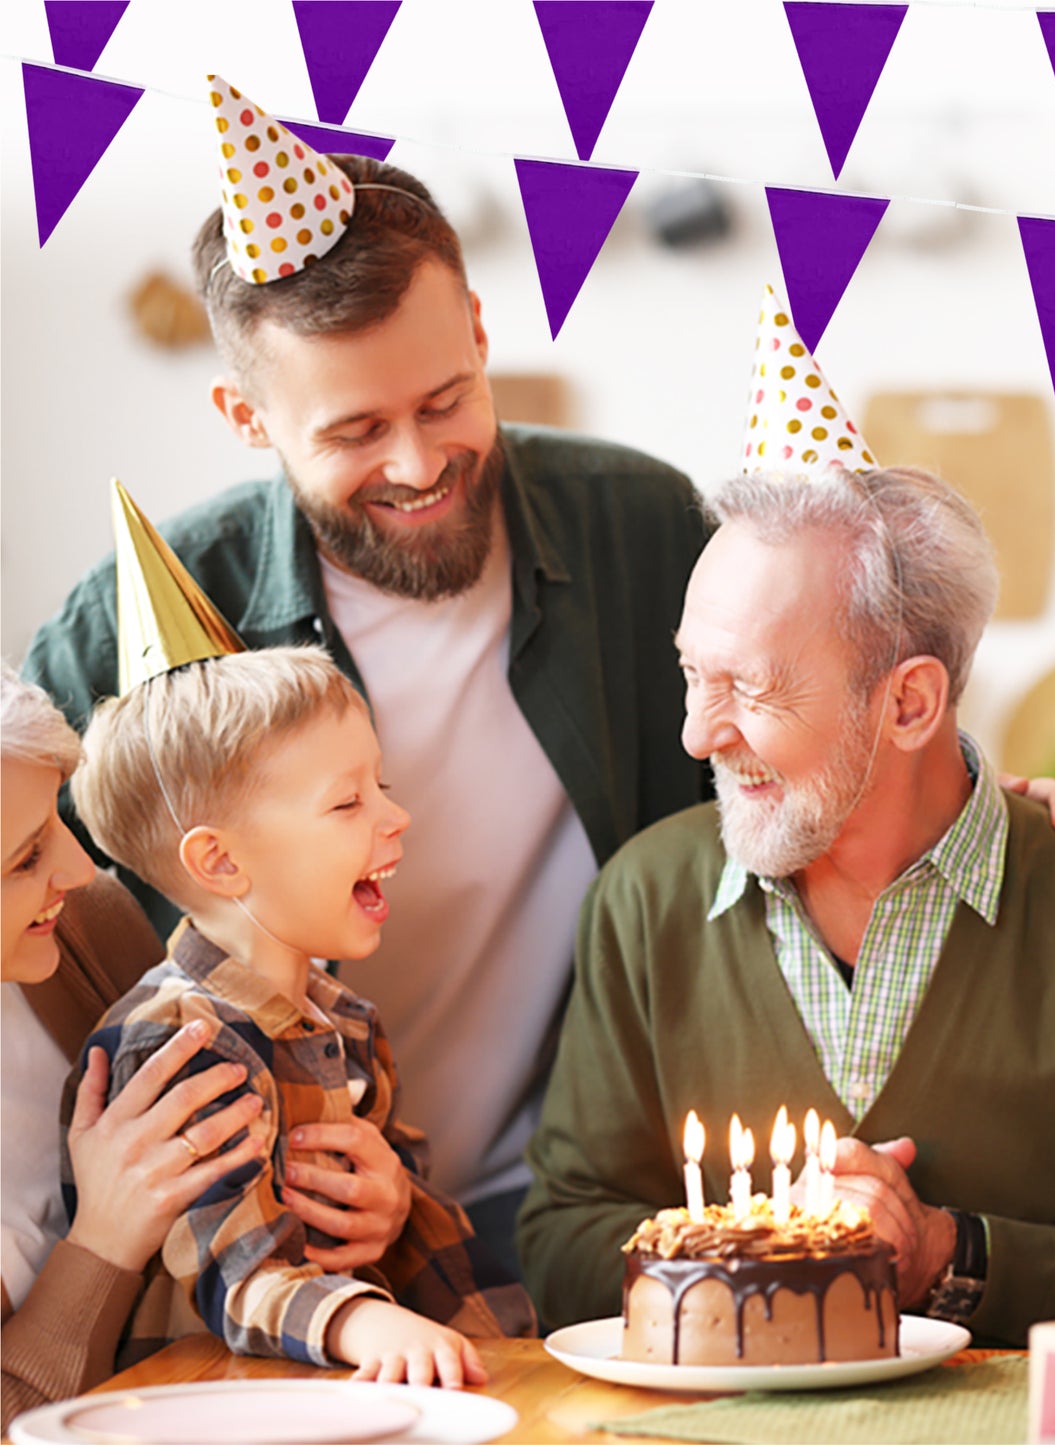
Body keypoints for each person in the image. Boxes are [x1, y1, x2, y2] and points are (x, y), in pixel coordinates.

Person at [23, 90, 711, 1275]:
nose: (416, 461)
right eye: (354, 430)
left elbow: (807, 738)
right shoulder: (139, 617)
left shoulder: (639, 527)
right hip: (269, 1235)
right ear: (247, 415)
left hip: (576, 1204)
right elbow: (30, 893)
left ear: (481, 331)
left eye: (445, 400)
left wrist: (979, 797)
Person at [515, 466, 1055, 1347]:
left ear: (908, 702)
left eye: (750, 688)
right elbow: (559, 1239)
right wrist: (774, 1263)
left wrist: (951, 1255)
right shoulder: (642, 902)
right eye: (692, 672)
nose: (696, 732)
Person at [66, 645, 501, 1382]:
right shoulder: (177, 1043)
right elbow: (234, 1269)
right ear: (220, 862)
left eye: (381, 783)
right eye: (347, 801)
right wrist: (360, 1319)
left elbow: (416, 1238)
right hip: (204, 1412)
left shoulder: (348, 1022)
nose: (396, 814)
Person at [1, 666, 262, 1431]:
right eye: (24, 858)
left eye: (58, 821)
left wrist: (372, 1199)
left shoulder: (86, 925)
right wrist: (103, 1244)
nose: (78, 870)